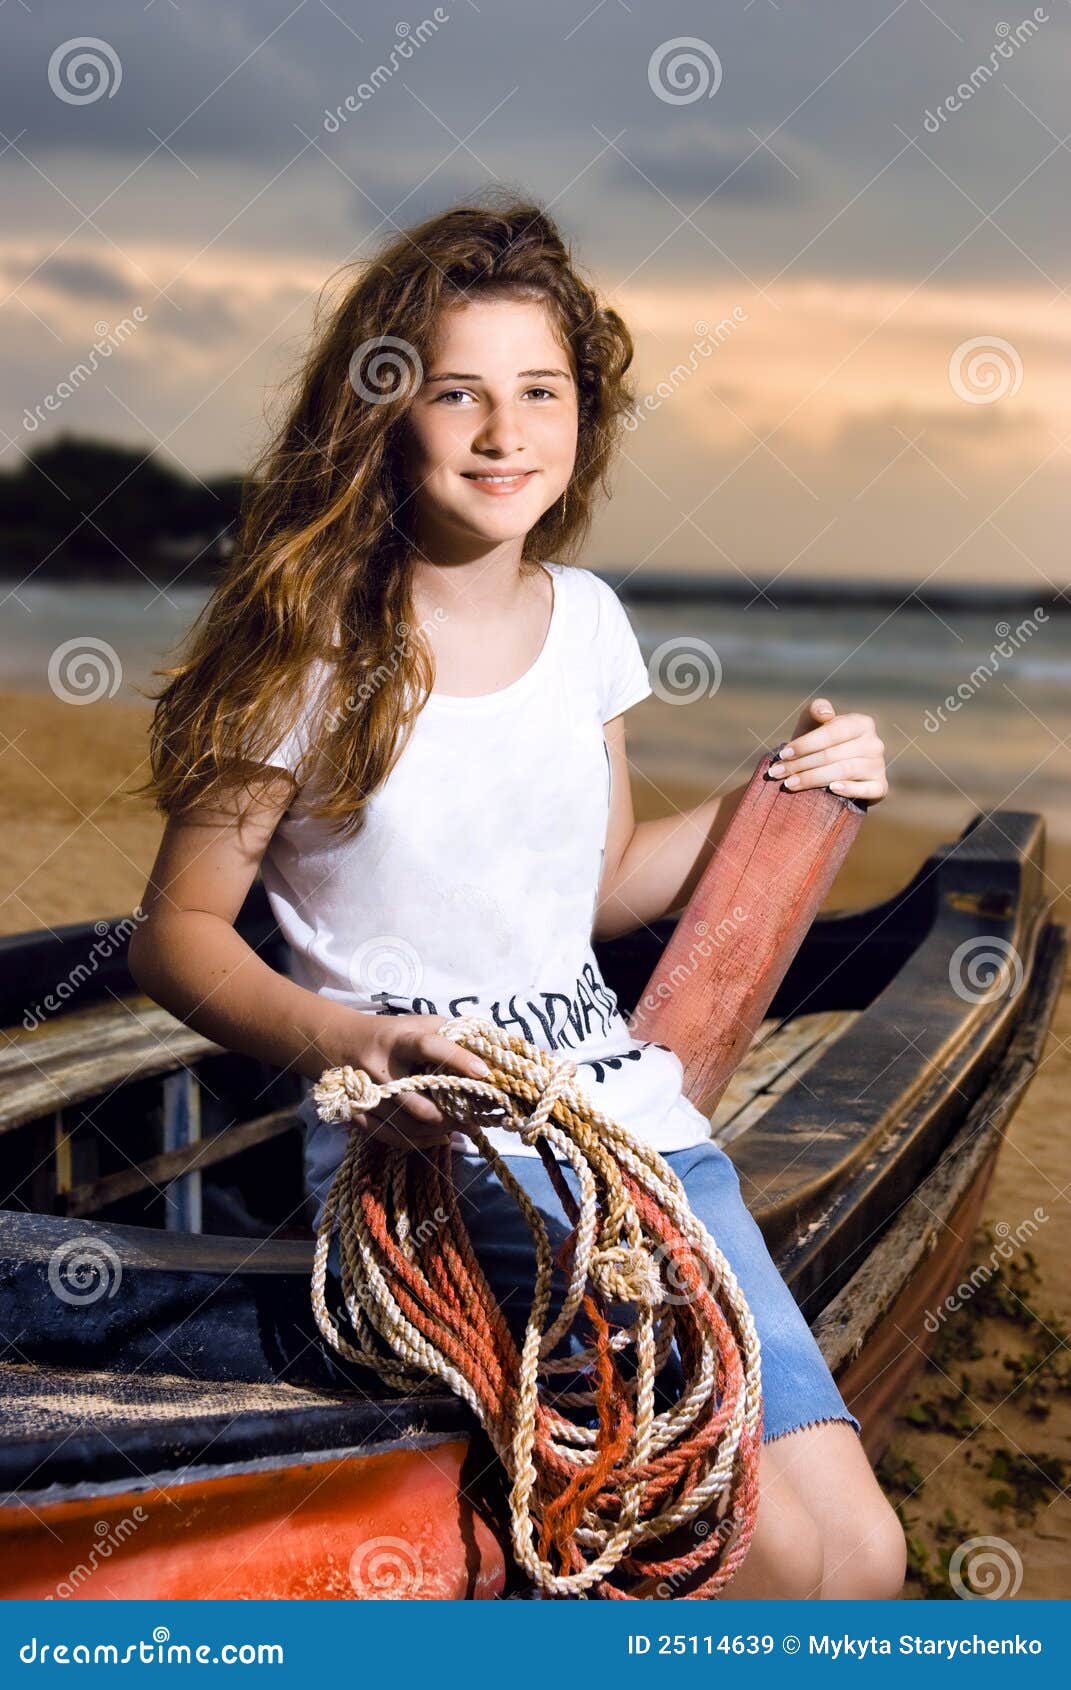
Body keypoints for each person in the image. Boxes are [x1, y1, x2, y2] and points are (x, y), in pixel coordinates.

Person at [130, 196, 902, 1600]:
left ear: (582, 416)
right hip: (443, 1168)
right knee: (769, 1563)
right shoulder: (304, 655)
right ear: (382, 412)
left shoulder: (591, 622)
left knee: (862, 1552)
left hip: (646, 1143)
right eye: (459, 393)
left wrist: (776, 790)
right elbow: (174, 934)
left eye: (540, 391)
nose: (506, 432)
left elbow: (602, 890)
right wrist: (361, 1044)